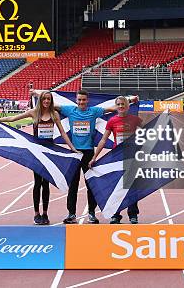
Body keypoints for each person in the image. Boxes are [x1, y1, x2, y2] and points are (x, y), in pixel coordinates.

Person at [31, 89, 137, 224]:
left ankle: (92, 214)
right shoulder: (70, 110)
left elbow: (113, 108)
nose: (81, 102)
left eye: (83, 100)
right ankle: (71, 214)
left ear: (87, 100)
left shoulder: (94, 111)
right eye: (79, 99)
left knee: (91, 185)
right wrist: (37, 95)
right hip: (75, 153)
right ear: (76, 100)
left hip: (88, 153)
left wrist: (130, 101)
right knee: (73, 186)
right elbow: (51, 104)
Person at [0, 91, 78, 225]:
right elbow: (13, 119)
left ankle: (45, 213)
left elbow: (62, 132)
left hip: (48, 152)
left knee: (46, 184)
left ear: (51, 101)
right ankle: (36, 213)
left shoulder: (54, 114)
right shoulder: (34, 112)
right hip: (37, 152)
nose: (46, 101)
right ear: (40, 100)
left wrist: (72, 148)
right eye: (44, 99)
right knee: (37, 183)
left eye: (48, 99)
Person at [90, 96, 143, 224]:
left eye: (123, 104)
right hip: (116, 158)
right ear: (116, 106)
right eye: (118, 104)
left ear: (127, 106)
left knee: (131, 187)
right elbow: (103, 139)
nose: (121, 106)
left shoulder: (136, 120)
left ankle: (133, 214)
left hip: (131, 157)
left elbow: (144, 136)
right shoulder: (112, 121)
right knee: (116, 187)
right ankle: (116, 215)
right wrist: (94, 157)